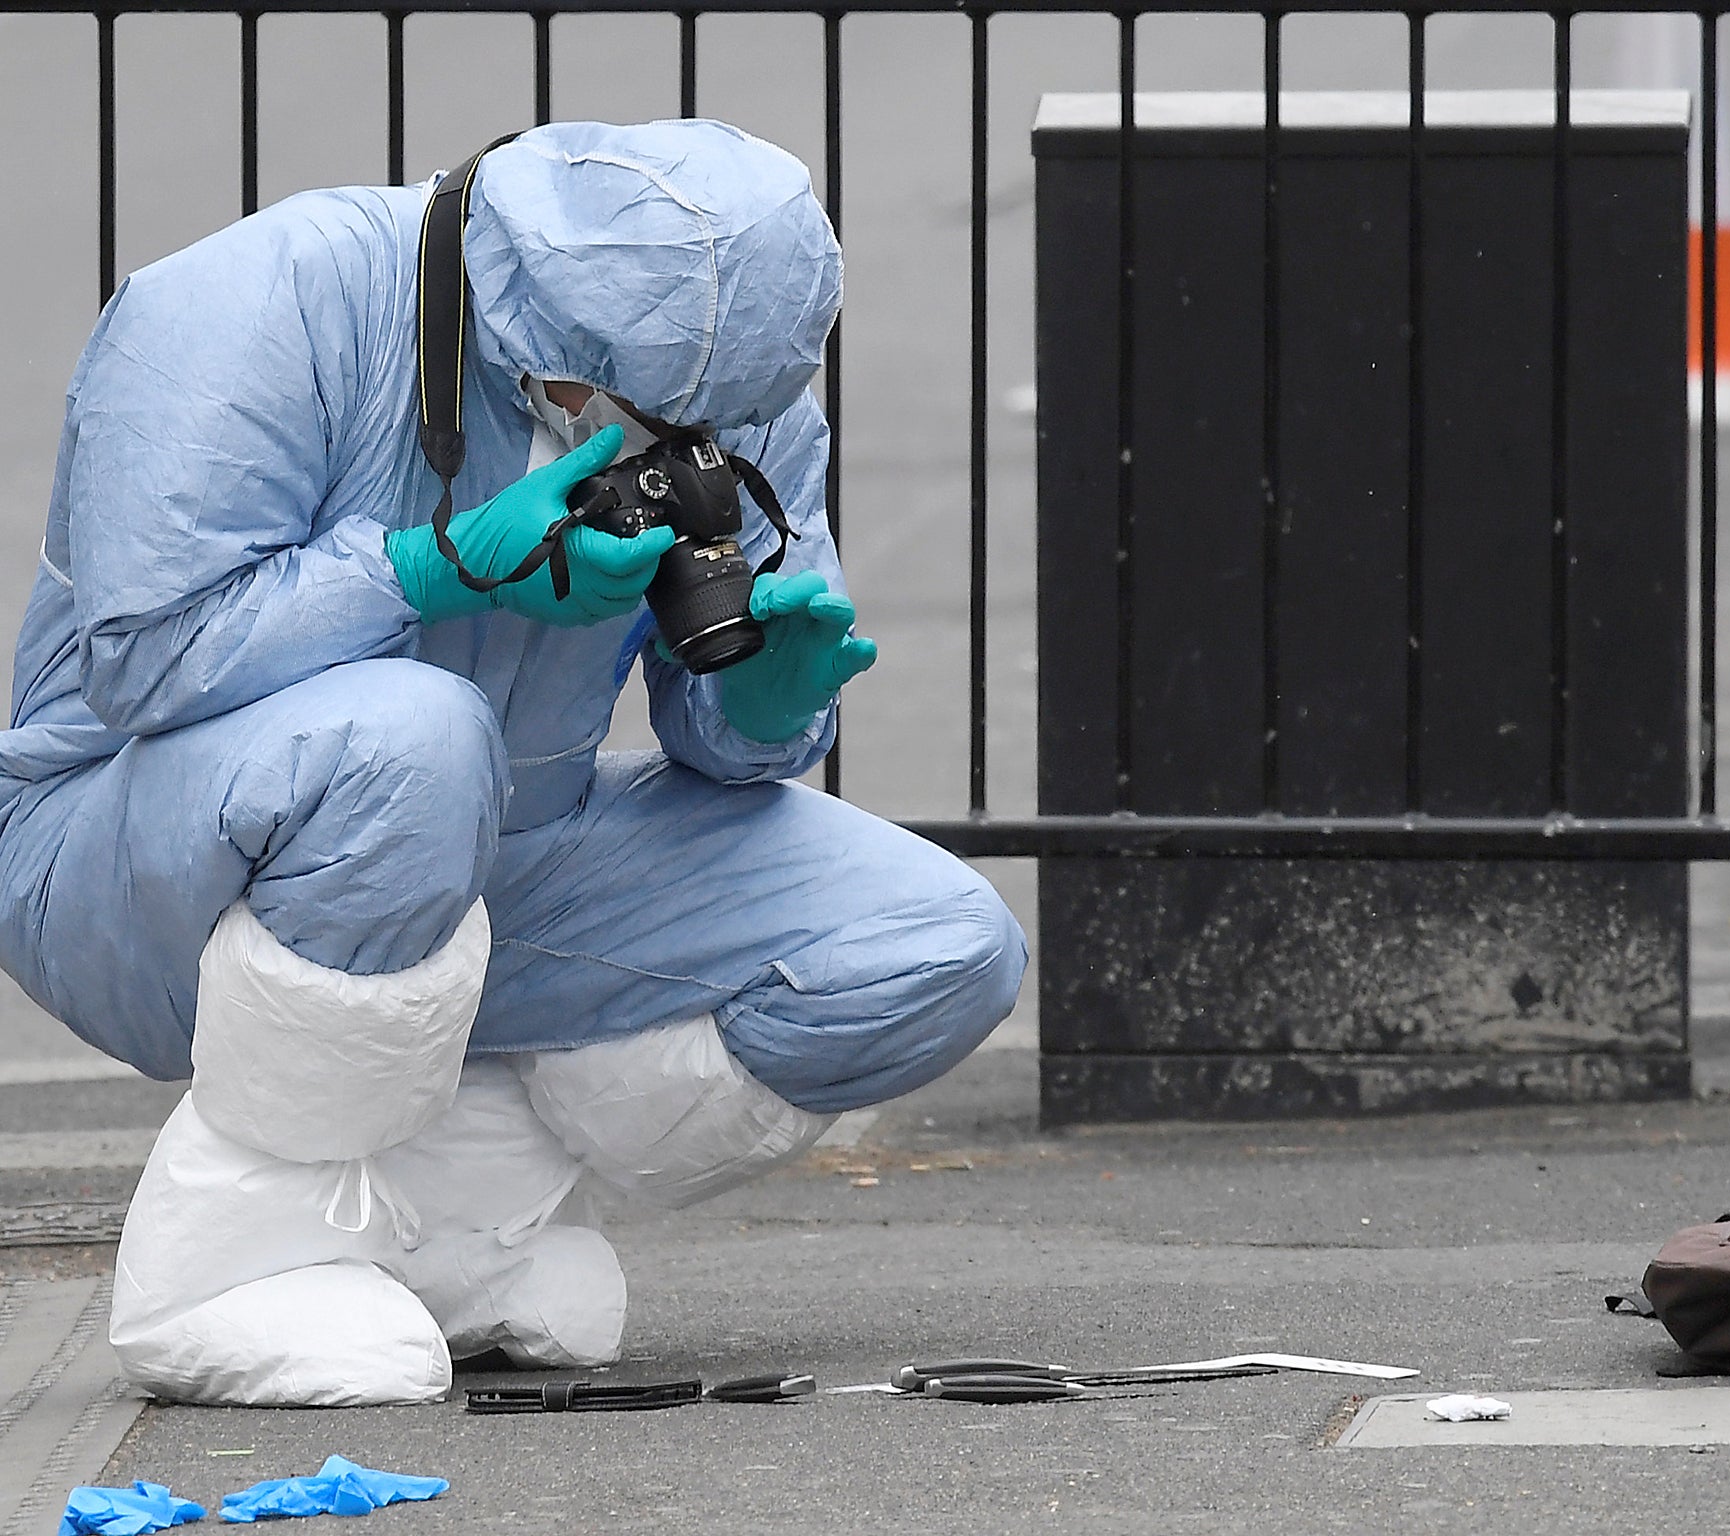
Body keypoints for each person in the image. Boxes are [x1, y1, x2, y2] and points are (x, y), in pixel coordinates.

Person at [0, 119, 1027, 1405]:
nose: (685, 445)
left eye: (723, 418)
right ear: (541, 331)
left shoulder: (727, 379)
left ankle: (454, 1226)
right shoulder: (248, 302)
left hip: (493, 861)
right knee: (414, 736)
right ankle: (227, 1270)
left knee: (935, 948)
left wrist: (763, 707)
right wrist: (428, 567)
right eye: (663, 417)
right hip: (127, 862)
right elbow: (145, 657)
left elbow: (722, 732)